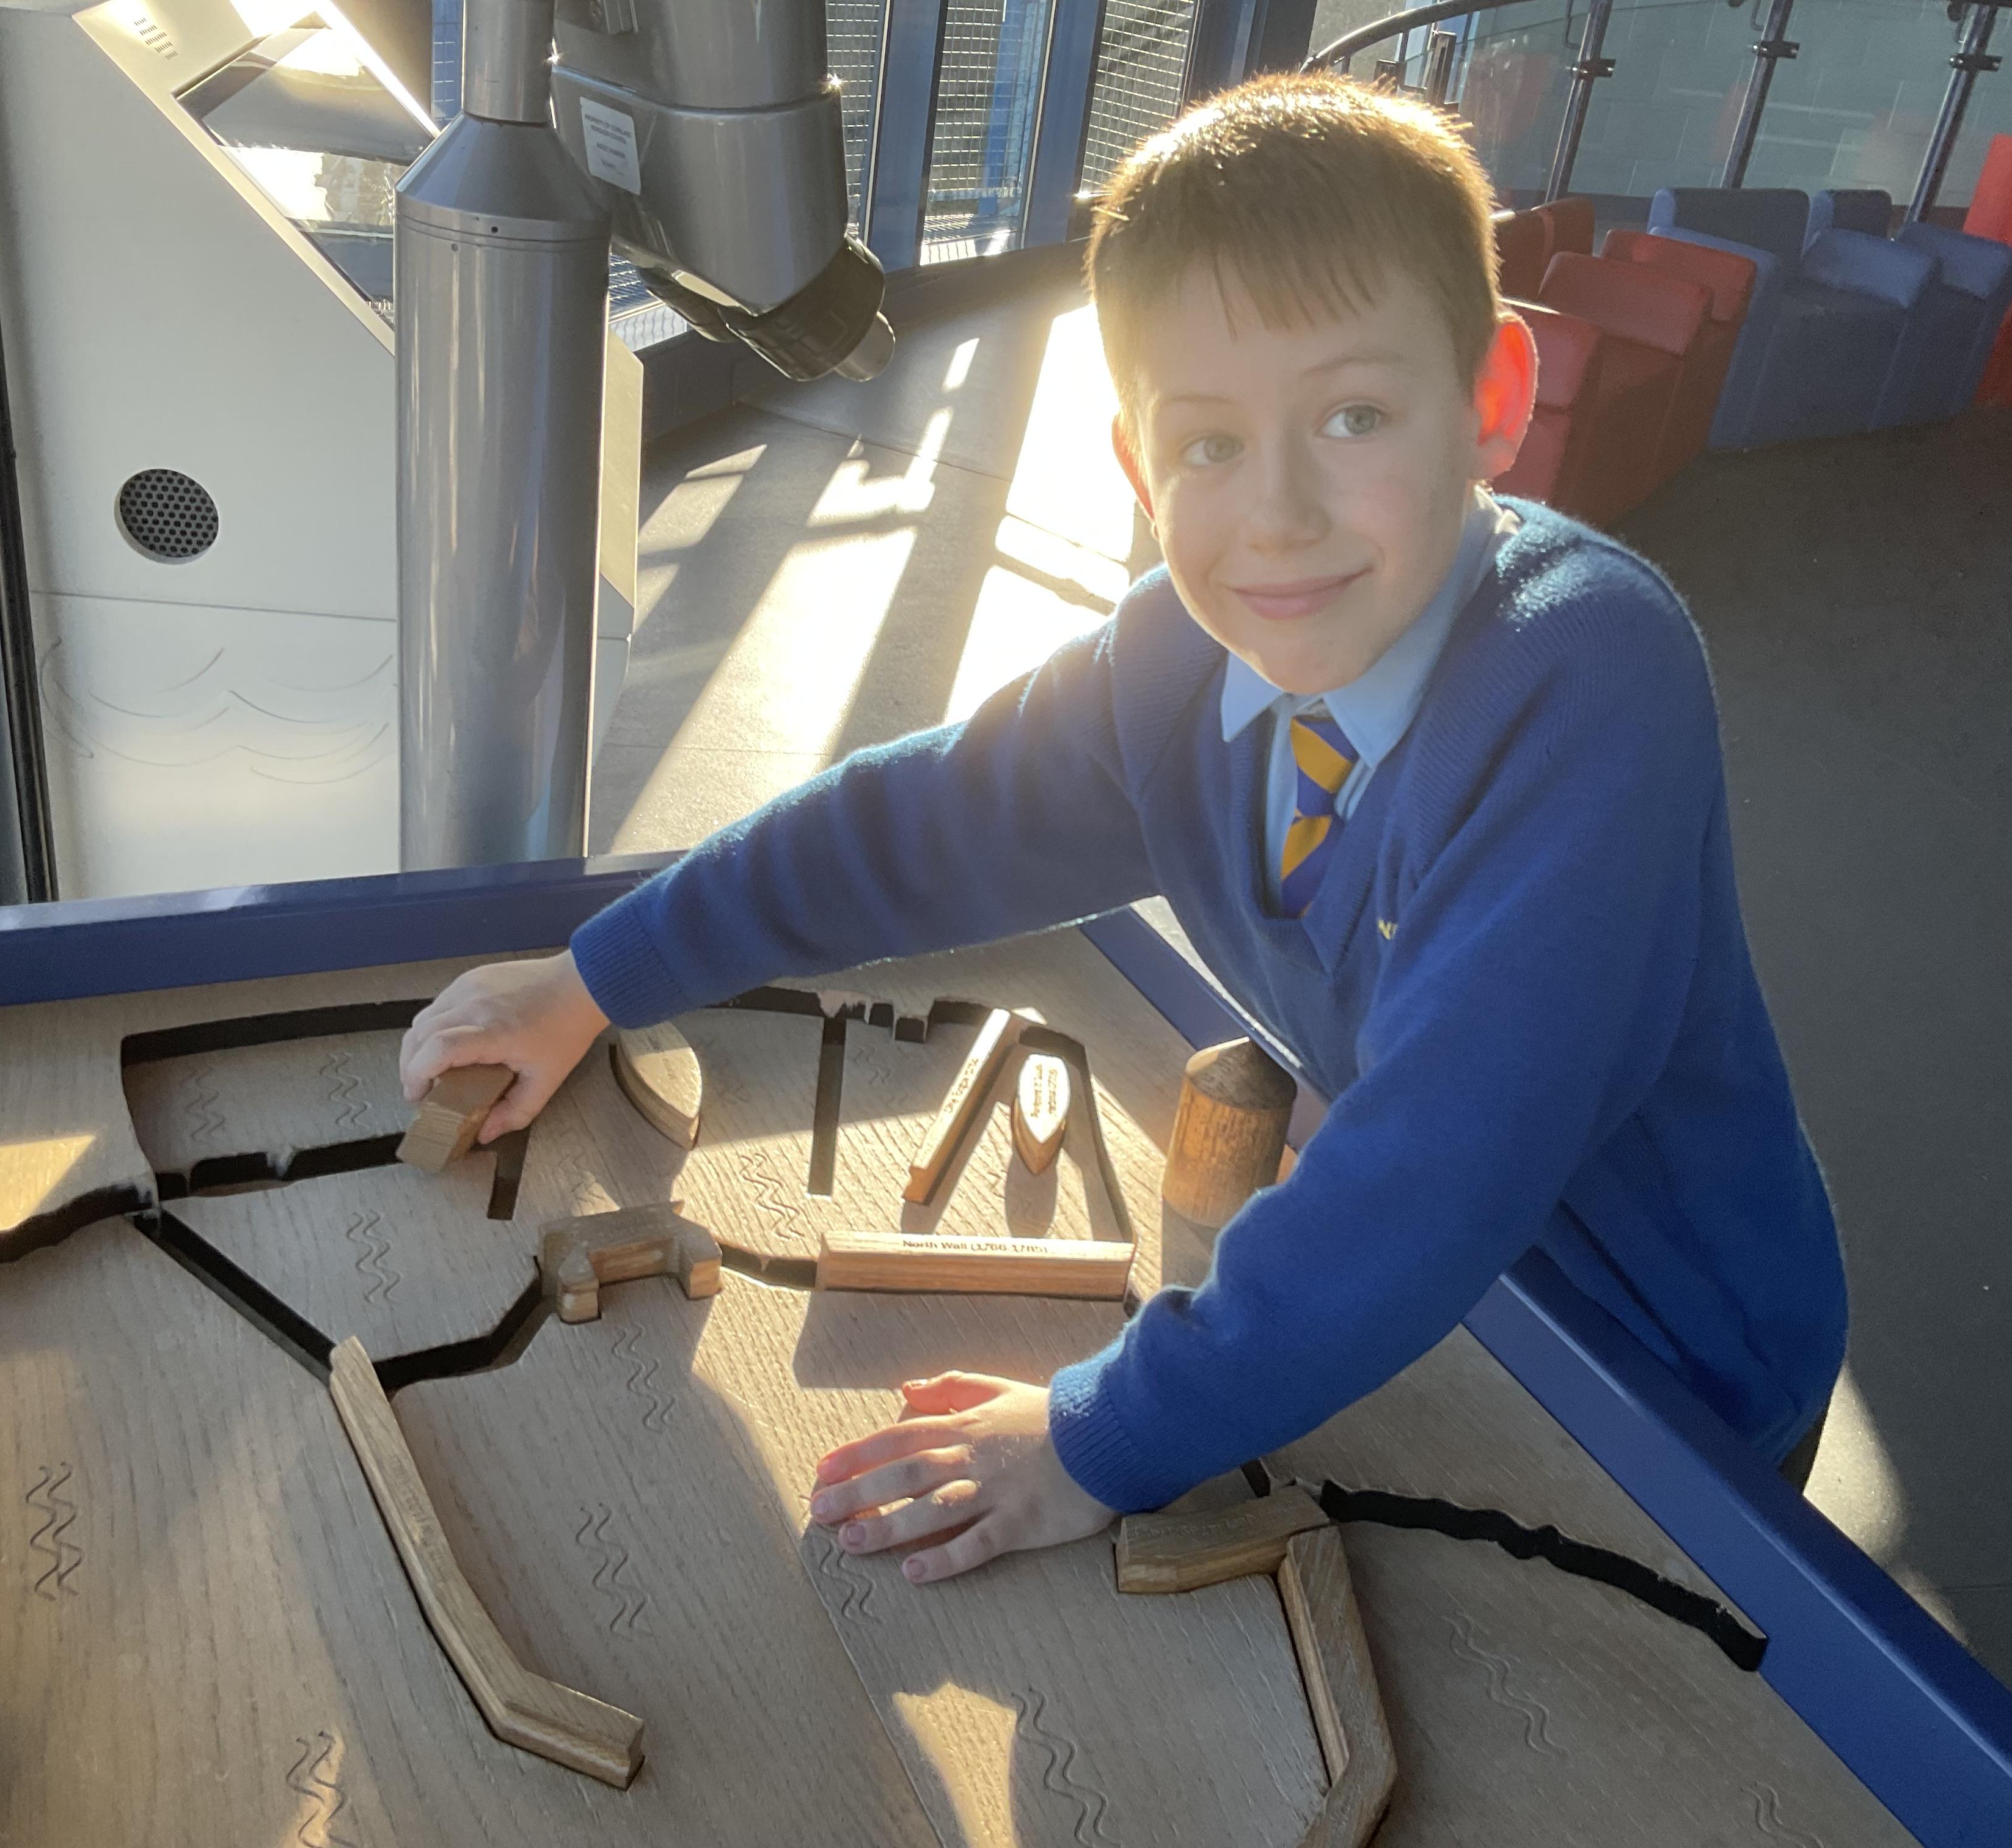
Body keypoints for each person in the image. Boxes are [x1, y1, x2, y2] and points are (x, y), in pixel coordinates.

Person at [397, 73, 1846, 1586]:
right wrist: (595, 976)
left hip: (1675, 1375)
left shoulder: (1589, 675)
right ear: (1139, 467)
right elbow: (919, 820)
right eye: (1209, 445)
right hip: (1448, 1323)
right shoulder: (1177, 660)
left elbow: (1444, 1166)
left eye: (1354, 416)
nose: (1278, 514)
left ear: (1489, 403)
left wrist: (1100, 1437)